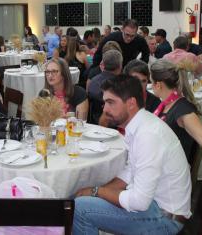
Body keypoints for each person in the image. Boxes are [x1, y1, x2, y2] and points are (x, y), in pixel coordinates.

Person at [73, 75, 192, 235]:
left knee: (79, 209)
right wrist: (98, 191)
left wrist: (96, 191)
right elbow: (130, 171)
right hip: (158, 207)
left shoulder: (147, 135)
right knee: (83, 198)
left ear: (131, 103)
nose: (105, 109)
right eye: (105, 102)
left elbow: (139, 202)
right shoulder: (141, 124)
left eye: (110, 102)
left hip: (165, 219)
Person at [150, 59, 202, 188]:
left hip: (170, 177)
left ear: (158, 85)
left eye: (151, 82)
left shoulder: (182, 109)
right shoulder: (166, 104)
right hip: (160, 168)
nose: (150, 86)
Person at [88, 50, 123, 124]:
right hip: (114, 125)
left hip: (92, 123)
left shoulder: (93, 81)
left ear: (103, 64)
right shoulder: (120, 85)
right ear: (120, 66)